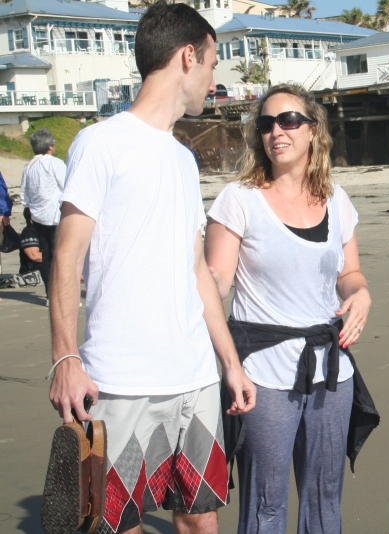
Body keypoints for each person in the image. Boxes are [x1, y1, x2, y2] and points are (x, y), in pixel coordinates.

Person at [47, 3, 255, 534]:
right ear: (188, 56)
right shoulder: (100, 143)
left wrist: (229, 363)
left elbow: (196, 270)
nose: (213, 78)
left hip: (194, 376)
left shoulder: (183, 158)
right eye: (212, 63)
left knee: (201, 517)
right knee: (116, 522)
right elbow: (66, 256)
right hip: (122, 380)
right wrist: (65, 357)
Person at [204, 83, 373, 534]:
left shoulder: (337, 200)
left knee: (325, 496)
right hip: (263, 371)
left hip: (331, 369)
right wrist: (190, 275)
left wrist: (361, 294)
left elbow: (349, 274)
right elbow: (216, 281)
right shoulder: (238, 199)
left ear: (313, 130)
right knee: (266, 502)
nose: (277, 131)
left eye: (289, 120)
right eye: (266, 124)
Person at [20, 128, 66, 302]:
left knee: (46, 255)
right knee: (59, 255)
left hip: (38, 216)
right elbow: (67, 186)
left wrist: (32, 208)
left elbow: (24, 196)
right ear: (50, 147)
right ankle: (60, 295)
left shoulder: (28, 166)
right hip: (55, 215)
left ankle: (50, 294)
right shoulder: (55, 163)